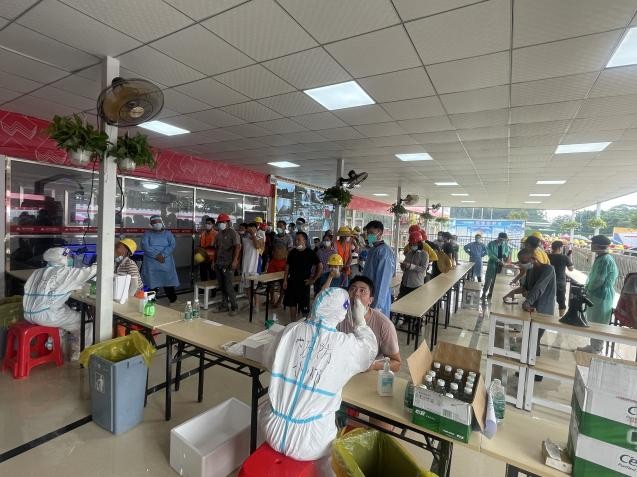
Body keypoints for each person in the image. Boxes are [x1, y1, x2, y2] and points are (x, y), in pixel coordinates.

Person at [261, 288, 377, 463]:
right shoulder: (344, 344)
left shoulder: (291, 330)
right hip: (311, 442)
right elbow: (369, 351)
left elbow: (268, 360)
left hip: (271, 427)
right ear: (343, 313)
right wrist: (360, 322)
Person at [23, 247, 97, 360]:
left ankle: (52, 341)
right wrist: (101, 261)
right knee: (86, 321)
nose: (70, 259)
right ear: (61, 259)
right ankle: (79, 354)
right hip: (46, 315)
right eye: (68, 257)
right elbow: (89, 272)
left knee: (67, 311)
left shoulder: (37, 272)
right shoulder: (64, 272)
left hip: (28, 314)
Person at [337, 276, 401, 372]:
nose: (356, 293)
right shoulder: (337, 317)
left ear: (370, 300)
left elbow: (396, 364)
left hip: (366, 374)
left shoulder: (384, 325)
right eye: (352, 289)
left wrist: (374, 366)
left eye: (362, 291)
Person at [503, 248, 555, 359]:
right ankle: (525, 363)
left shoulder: (548, 269)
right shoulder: (531, 270)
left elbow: (539, 288)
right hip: (531, 308)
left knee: (534, 339)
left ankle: (533, 367)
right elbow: (525, 287)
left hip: (543, 309)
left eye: (524, 261)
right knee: (529, 337)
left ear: (533, 259)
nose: (522, 264)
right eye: (520, 261)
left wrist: (527, 302)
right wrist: (512, 292)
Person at [578, 235, 619, 354]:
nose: (591, 245)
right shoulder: (601, 258)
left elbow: (598, 280)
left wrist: (588, 290)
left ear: (597, 245)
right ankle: (593, 346)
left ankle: (597, 349)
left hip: (601, 296)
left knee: (599, 323)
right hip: (597, 295)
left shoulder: (605, 260)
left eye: (592, 243)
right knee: (593, 321)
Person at [283, 232, 322, 322]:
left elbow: (320, 267)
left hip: (304, 283)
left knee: (304, 307)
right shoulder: (292, 252)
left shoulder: (310, 253)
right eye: (295, 240)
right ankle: (293, 323)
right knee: (292, 304)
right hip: (292, 282)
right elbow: (287, 267)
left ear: (304, 241)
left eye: (298, 240)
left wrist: (313, 280)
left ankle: (305, 325)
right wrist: (285, 280)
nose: (296, 241)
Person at [141, 215, 179, 303]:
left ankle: (173, 300)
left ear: (162, 222)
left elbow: (172, 245)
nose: (157, 224)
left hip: (165, 262)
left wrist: (163, 255)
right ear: (151, 224)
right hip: (152, 263)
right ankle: (150, 302)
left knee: (168, 282)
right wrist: (156, 256)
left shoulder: (168, 234)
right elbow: (145, 246)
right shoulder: (147, 234)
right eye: (154, 223)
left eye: (158, 222)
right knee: (152, 283)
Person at [362, 220, 396, 317]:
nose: (369, 235)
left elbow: (383, 280)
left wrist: (378, 305)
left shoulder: (384, 251)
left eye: (371, 233)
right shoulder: (373, 249)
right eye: (368, 233)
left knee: (377, 322)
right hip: (369, 293)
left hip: (379, 297)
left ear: (380, 233)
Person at [214, 213, 241, 316]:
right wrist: (214, 261)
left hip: (229, 263)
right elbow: (216, 248)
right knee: (222, 286)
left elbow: (237, 247)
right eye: (220, 222)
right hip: (219, 263)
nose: (221, 224)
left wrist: (235, 261)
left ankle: (234, 307)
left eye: (223, 222)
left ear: (228, 222)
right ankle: (224, 305)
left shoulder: (233, 233)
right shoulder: (219, 234)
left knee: (228, 286)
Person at [241, 222, 265, 308]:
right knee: (247, 287)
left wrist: (253, 235)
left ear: (256, 229)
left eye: (252, 228)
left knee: (255, 287)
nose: (250, 230)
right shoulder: (245, 239)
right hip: (245, 266)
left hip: (255, 266)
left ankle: (257, 305)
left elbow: (257, 246)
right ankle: (251, 304)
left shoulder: (260, 238)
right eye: (249, 228)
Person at [482, 232, 511, 302]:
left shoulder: (504, 244)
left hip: (500, 265)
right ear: (498, 238)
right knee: (488, 280)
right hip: (492, 264)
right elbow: (490, 254)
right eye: (501, 239)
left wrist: (505, 256)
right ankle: (484, 293)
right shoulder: (491, 244)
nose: (502, 241)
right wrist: (498, 260)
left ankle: (490, 294)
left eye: (504, 240)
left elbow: (507, 251)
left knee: (495, 281)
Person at [399, 231, 429, 298]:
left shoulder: (424, 254)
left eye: (414, 243)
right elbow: (405, 265)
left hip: (416, 284)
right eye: (411, 244)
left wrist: (410, 266)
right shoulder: (409, 253)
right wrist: (403, 266)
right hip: (405, 283)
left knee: (414, 302)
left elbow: (423, 268)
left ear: (419, 243)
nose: (412, 245)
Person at [548, 240, 574, 316]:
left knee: (547, 299)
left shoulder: (547, 256)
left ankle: (546, 317)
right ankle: (560, 317)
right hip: (560, 282)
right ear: (560, 248)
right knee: (561, 301)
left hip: (548, 281)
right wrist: (569, 258)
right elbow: (571, 269)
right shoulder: (564, 257)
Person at [198, 216, 217, 282]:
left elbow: (217, 248)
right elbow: (200, 245)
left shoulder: (216, 234)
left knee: (212, 276)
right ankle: (203, 287)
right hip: (203, 258)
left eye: (209, 223)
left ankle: (213, 289)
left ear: (213, 224)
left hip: (212, 259)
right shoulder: (203, 233)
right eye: (206, 223)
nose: (207, 225)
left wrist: (214, 261)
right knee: (203, 276)